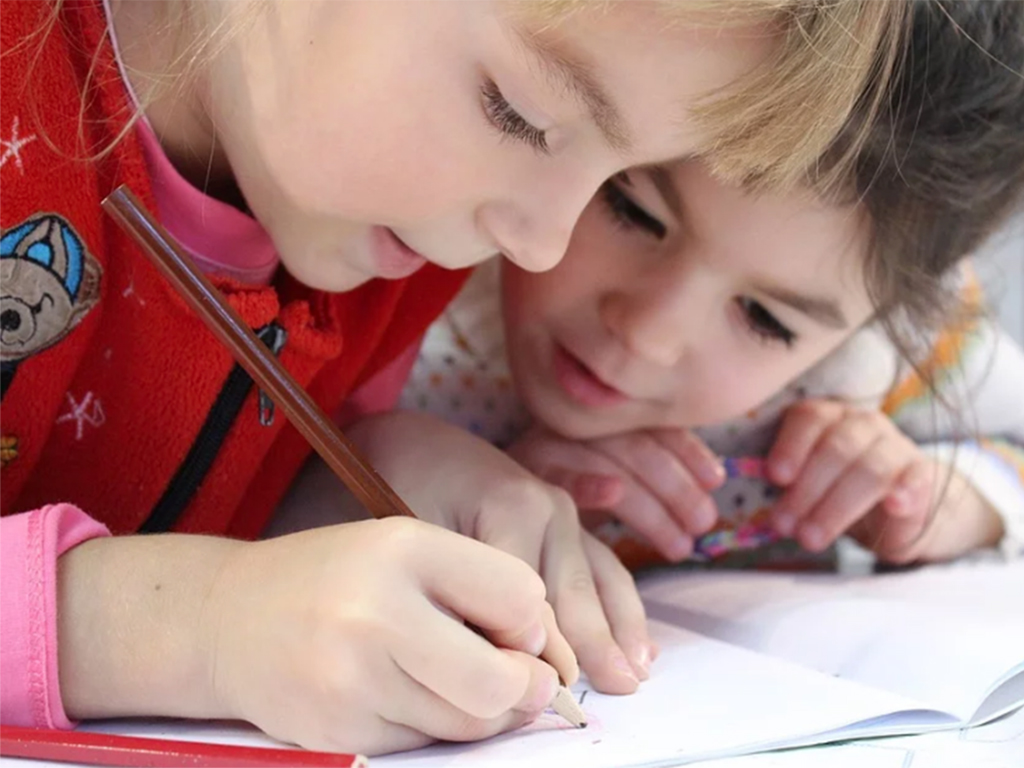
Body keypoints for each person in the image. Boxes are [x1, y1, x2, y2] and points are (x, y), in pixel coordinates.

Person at [0, 0, 911, 756]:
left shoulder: (400, 245)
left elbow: (186, 500)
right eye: (523, 116)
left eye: (618, 175)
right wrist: (193, 630)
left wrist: (359, 479)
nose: (541, 243)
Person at [393, 0, 1024, 573]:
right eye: (632, 212)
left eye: (764, 319)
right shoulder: (409, 264)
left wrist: (952, 497)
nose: (648, 334)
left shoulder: (888, 355)